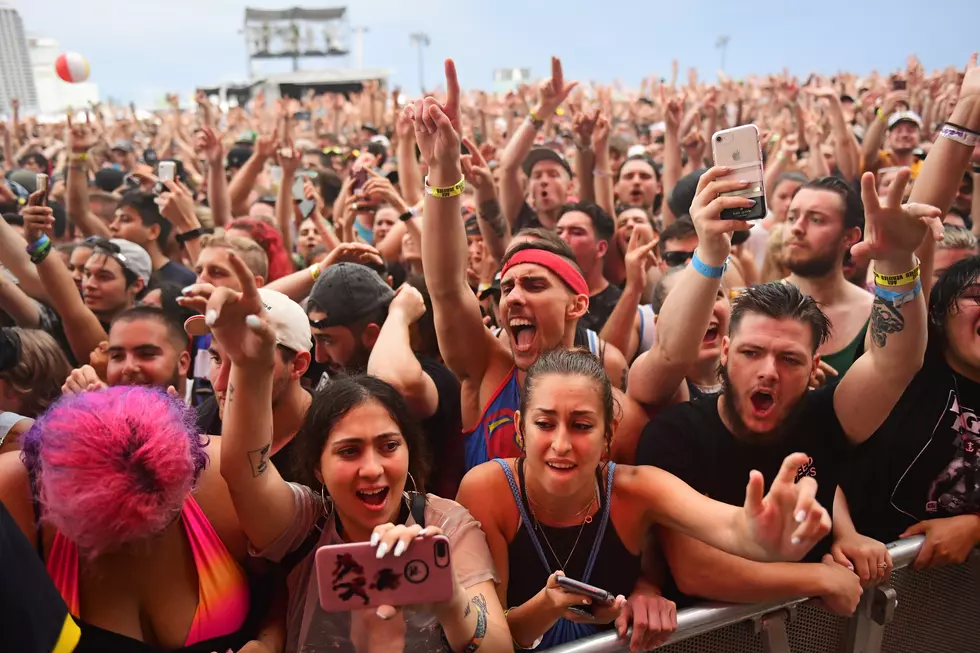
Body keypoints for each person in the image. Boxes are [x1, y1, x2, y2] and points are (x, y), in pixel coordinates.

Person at [633, 163, 942, 604]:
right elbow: (694, 569)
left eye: (790, 358)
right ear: (725, 352)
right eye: (752, 352)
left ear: (815, 364)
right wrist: (816, 579)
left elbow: (896, 362)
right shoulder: (676, 434)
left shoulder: (826, 416)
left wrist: (895, 262)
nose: (769, 371)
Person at [201, 246, 512, 653]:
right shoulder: (305, 524)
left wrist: (449, 597)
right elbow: (245, 471)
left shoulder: (447, 526)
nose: (372, 469)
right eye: (349, 451)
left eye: (388, 446)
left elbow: (498, 647)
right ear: (316, 467)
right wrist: (247, 366)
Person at [458, 348, 836, 650]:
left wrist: (762, 534)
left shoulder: (636, 490)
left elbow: (728, 525)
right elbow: (488, 638)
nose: (561, 444)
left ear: (609, 435)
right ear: (521, 429)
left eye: (581, 425)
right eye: (544, 424)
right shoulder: (489, 491)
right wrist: (548, 605)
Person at [417, 59, 646, 472]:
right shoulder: (489, 367)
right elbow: (448, 288)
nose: (515, 297)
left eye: (535, 285)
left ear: (576, 305)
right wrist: (443, 169)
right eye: (507, 288)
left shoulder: (612, 394)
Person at [0, 386, 277, 651]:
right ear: (48, 495)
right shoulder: (14, 495)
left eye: (159, 526)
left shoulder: (222, 479)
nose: (135, 546)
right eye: (106, 534)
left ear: (188, 483)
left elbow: (287, 581)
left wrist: (268, 643)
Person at [842, 70, 980, 567]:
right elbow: (921, 223)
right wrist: (967, 112)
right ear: (940, 310)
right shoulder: (912, 366)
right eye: (977, 295)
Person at [306, 262, 464, 497]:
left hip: (420, 527)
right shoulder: (332, 361)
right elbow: (251, 317)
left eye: (328, 340)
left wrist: (399, 314)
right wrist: (317, 271)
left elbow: (393, 385)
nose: (317, 355)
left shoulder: (431, 374)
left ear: (372, 335)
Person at [180, 264, 312, 480]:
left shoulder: (332, 436)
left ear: (297, 365)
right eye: (216, 358)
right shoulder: (202, 426)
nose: (221, 384)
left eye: (248, 364)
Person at [782, 176, 872, 376]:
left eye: (816, 219)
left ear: (849, 237)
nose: (797, 227)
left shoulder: (876, 315)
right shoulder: (750, 307)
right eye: (791, 217)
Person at [498, 58, 576, 232]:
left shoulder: (583, 222)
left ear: (570, 187)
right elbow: (508, 167)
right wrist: (542, 109)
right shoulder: (522, 221)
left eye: (553, 174)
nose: (543, 181)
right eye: (537, 176)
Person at [556, 202, 622, 331]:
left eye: (576, 232)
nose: (562, 238)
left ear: (601, 248)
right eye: (558, 232)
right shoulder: (543, 294)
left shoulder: (619, 305)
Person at [108, 191, 196, 286]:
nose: (113, 226)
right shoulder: (114, 274)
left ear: (153, 231)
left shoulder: (184, 280)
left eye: (125, 219)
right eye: (114, 219)